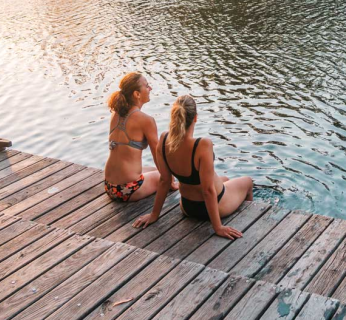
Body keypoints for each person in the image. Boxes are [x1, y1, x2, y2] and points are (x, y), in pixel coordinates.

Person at [132, 95, 254, 239]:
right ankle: (251, 219)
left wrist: (154, 215)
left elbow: (165, 181)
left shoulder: (164, 139)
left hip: (188, 207)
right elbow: (208, 191)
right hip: (215, 207)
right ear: (195, 118)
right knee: (248, 182)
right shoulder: (202, 145)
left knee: (225, 178)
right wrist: (218, 227)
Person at [104, 72, 167, 202]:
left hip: (110, 186)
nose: (150, 89)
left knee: (155, 170)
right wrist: (169, 181)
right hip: (129, 189)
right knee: (166, 175)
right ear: (137, 94)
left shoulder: (115, 114)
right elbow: (157, 154)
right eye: (147, 86)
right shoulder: (146, 120)